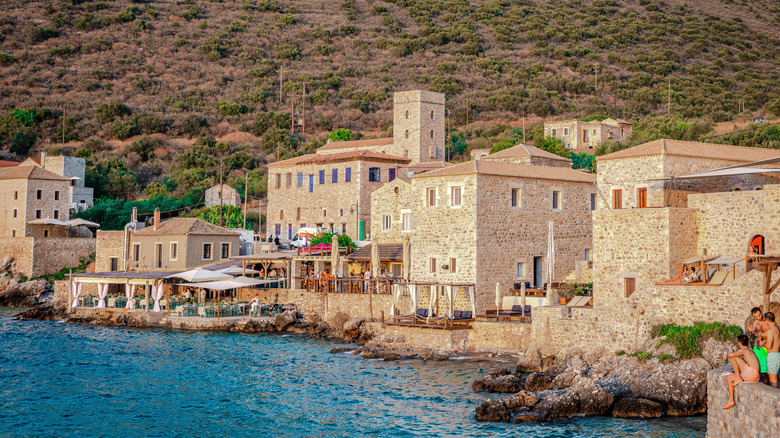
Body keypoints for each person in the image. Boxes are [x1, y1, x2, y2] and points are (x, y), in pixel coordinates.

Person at [722, 334, 761, 410]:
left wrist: (726, 356)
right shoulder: (749, 349)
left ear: (739, 343)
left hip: (752, 374)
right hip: (755, 375)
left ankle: (738, 378)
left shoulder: (744, 350)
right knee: (729, 378)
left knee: (733, 356)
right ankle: (730, 400)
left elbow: (733, 354)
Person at [765, 312, 780, 388]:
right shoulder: (777, 328)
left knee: (773, 379)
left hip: (773, 356)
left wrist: (763, 343)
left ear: (767, 320)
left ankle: (775, 399)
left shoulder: (771, 330)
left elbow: (769, 346)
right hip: (778, 354)